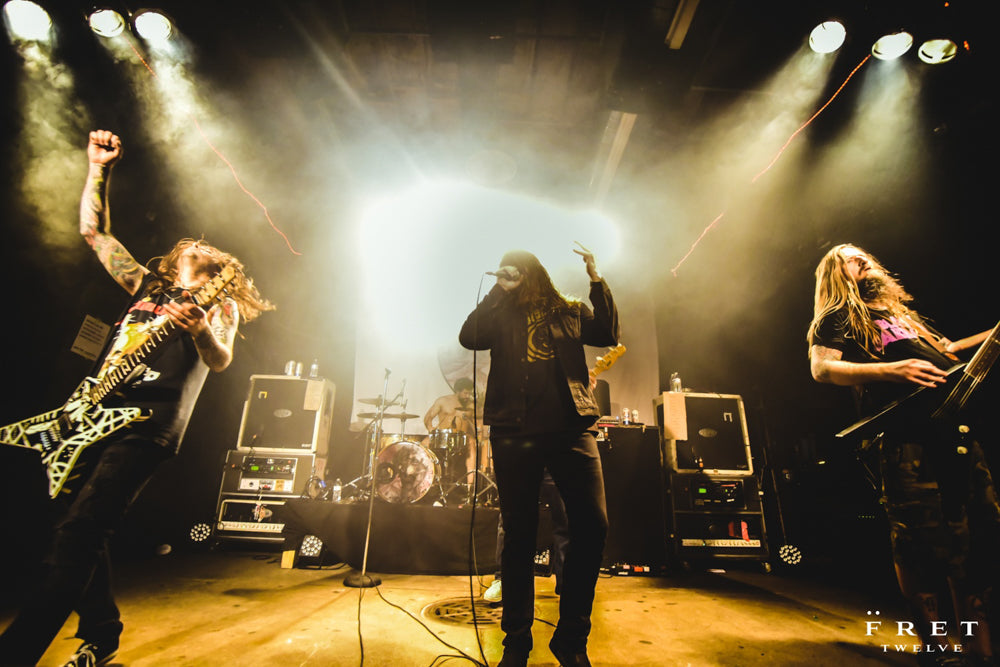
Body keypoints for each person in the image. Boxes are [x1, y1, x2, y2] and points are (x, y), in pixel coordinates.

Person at [0, 130, 274, 667]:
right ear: (175, 261)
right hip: (90, 413)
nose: (201, 241)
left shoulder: (216, 303)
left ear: (220, 269)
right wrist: (98, 168)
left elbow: (220, 362)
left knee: (80, 530)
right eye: (192, 245)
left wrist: (199, 330)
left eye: (212, 250)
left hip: (149, 424)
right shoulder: (148, 288)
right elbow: (94, 231)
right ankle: (101, 632)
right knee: (73, 530)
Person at [807, 243, 999, 666]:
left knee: (974, 533)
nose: (864, 260)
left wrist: (990, 337)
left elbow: (948, 350)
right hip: (903, 437)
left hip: (954, 430)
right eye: (850, 258)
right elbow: (821, 369)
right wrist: (891, 369)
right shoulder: (839, 315)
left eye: (866, 255)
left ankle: (976, 642)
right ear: (836, 275)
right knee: (918, 539)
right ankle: (934, 643)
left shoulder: (904, 317)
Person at [459, 243, 618, 667]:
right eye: (503, 272)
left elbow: (607, 332)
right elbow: (468, 337)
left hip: (571, 428)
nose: (508, 276)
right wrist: (496, 291)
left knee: (593, 525)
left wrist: (596, 279)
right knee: (519, 535)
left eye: (515, 271)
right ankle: (516, 643)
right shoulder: (501, 311)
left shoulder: (568, 308)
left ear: (535, 273)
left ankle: (571, 640)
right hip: (514, 430)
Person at [423, 377, 479, 486]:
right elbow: (427, 418)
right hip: (442, 435)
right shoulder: (443, 401)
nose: (468, 396)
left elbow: (476, 423)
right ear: (457, 391)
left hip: (462, 437)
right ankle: (424, 482)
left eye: (469, 394)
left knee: (473, 444)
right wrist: (431, 429)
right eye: (465, 393)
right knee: (422, 446)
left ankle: (470, 487)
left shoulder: (471, 405)